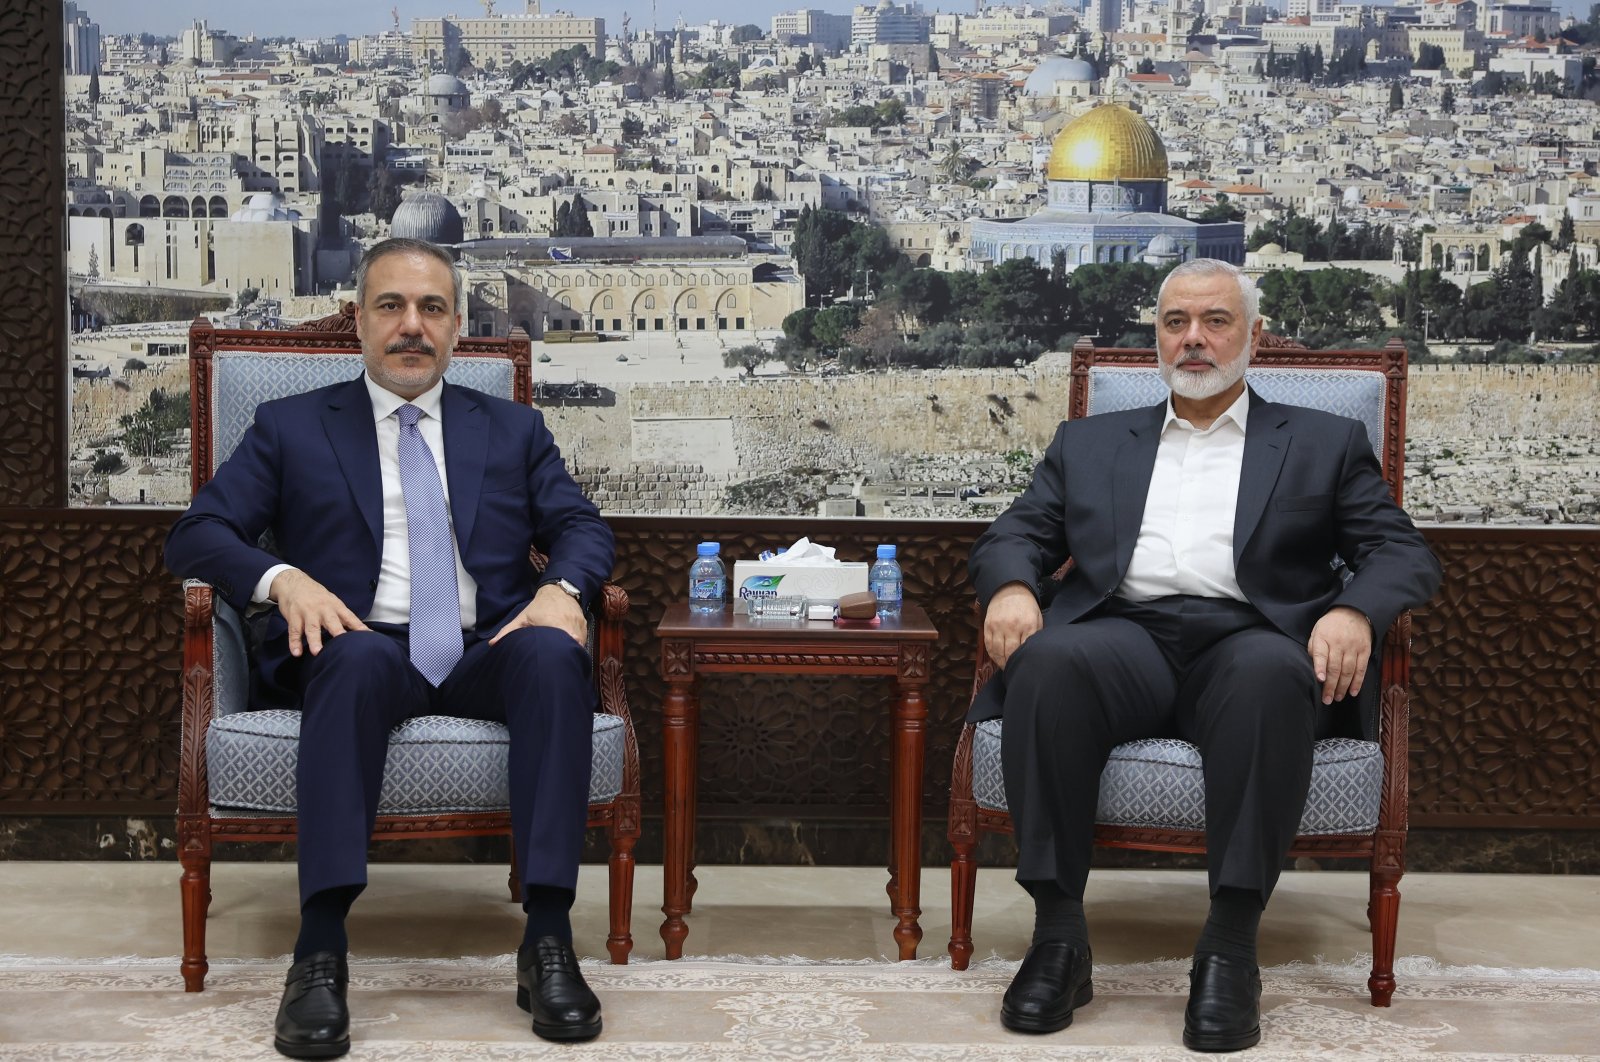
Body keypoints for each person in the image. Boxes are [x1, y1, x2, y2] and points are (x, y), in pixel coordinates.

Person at [967, 258, 1440, 1052]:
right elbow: (1013, 535)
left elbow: (1402, 553)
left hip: (1250, 638)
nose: (1194, 339)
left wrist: (1357, 609)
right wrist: (1013, 588)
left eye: (1215, 322)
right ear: (1156, 336)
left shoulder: (1323, 441)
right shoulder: (1088, 443)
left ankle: (1228, 948)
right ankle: (1058, 938)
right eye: (1175, 322)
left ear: (1253, 336)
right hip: (1129, 633)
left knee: (1269, 677)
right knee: (1046, 664)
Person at [166, 237, 616, 1058]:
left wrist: (563, 590)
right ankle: (320, 951)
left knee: (556, 657)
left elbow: (581, 527)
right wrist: (282, 580)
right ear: (361, 323)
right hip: (359, 643)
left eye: (432, 309)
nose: (413, 326)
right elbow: (197, 534)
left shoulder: (513, 430)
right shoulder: (291, 426)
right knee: (359, 655)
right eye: (392, 306)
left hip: (488, 647)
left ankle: (548, 939)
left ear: (455, 329)